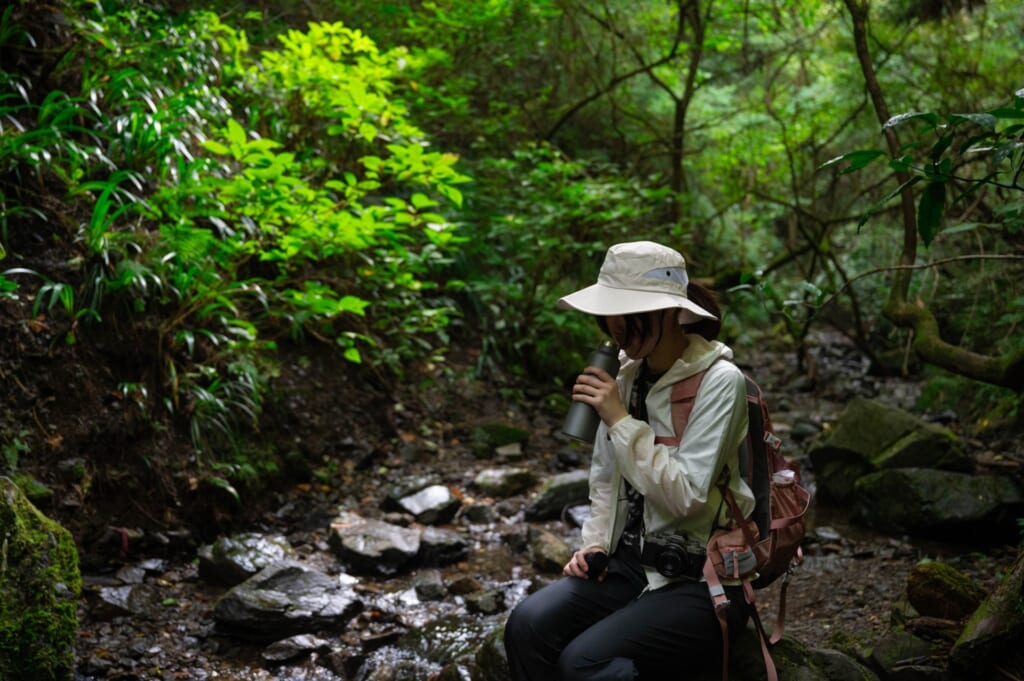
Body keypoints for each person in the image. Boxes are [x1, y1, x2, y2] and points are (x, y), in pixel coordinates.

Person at [504, 240, 755, 681]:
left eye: (628, 311)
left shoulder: (721, 381)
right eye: (610, 312)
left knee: (583, 661)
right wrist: (596, 544)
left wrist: (618, 417)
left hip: (699, 579)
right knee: (527, 625)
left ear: (670, 312)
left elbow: (689, 496)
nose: (615, 325)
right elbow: (606, 478)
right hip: (629, 565)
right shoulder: (626, 374)